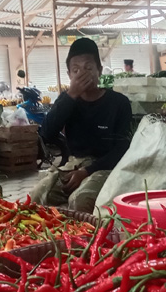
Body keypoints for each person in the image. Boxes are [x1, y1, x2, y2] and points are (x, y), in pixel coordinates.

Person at [30, 38, 132, 213]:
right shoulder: (67, 99)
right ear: (69, 75)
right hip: (73, 164)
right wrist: (72, 94)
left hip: (105, 167)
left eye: (88, 68)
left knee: (81, 200)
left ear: (99, 71)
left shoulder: (119, 103)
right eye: (76, 70)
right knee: (36, 196)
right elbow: (46, 133)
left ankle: (84, 238)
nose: (82, 74)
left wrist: (87, 171)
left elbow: (122, 149)